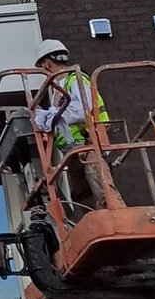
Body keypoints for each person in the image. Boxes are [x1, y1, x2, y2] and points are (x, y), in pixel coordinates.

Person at [31, 38, 108, 215]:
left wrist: (52, 117)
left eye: (43, 67)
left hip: (90, 142)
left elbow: (81, 110)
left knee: (100, 186)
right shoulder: (61, 88)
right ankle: (92, 220)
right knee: (82, 195)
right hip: (74, 148)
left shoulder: (76, 79)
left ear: (47, 64)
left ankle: (113, 215)